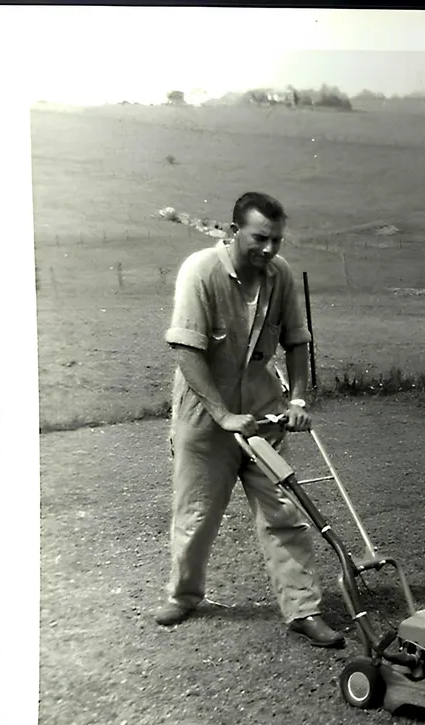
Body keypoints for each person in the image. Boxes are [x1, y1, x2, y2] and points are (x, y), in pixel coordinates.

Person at [153, 191, 344, 648]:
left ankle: (303, 609)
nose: (270, 250)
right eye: (261, 238)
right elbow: (186, 349)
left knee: (284, 511)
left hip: (263, 412)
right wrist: (222, 415)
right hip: (205, 413)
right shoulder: (200, 272)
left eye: (277, 240)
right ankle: (184, 594)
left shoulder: (279, 276)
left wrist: (297, 400)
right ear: (234, 230)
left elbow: (297, 341)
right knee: (197, 514)